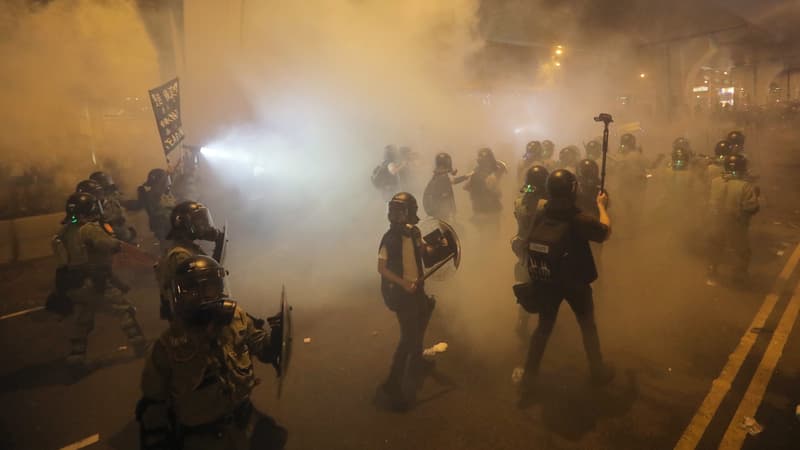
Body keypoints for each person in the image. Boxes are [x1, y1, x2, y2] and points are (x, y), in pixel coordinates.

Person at [137, 255, 287, 450]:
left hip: (246, 422)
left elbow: (263, 350)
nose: (203, 296)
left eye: (210, 287)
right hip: (203, 439)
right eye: (193, 290)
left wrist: (275, 338)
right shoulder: (169, 345)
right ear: (180, 295)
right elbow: (153, 402)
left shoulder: (236, 318)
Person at [518, 169, 614, 406]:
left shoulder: (542, 213)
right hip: (576, 283)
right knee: (587, 326)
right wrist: (602, 206)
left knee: (543, 328)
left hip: (548, 280)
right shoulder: (577, 218)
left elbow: (527, 241)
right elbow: (605, 232)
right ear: (572, 190)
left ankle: (529, 377)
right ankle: (597, 370)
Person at [52, 192, 146, 367]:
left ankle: (76, 358)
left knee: (81, 321)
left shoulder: (62, 232)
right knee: (124, 310)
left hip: (74, 286)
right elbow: (109, 245)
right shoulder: (90, 229)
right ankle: (139, 344)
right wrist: (121, 244)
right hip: (95, 282)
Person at [378, 192, 446, 410]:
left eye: (401, 210)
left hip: (417, 290)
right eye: (394, 210)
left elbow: (425, 253)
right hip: (401, 294)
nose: (396, 215)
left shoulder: (415, 233)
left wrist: (441, 245)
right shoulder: (389, 239)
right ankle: (392, 383)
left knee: (424, 314)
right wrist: (402, 283)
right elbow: (382, 269)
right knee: (408, 337)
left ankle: (416, 361)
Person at [155, 201, 223, 320]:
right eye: (199, 221)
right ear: (185, 224)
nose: (204, 225)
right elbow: (197, 290)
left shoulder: (187, 248)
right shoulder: (180, 255)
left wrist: (219, 243)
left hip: (197, 312)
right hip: (192, 319)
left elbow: (210, 274)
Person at [706, 154, 760, 286]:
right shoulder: (745, 186)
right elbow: (751, 207)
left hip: (716, 221)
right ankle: (738, 278)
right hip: (735, 224)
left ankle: (712, 271)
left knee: (716, 246)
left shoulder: (715, 181)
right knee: (741, 251)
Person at [511, 165, 548, 338]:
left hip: (522, 248)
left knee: (525, 282)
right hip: (542, 250)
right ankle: (544, 324)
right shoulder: (546, 204)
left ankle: (521, 323)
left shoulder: (519, 201)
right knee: (546, 285)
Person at [463, 148, 506, 232]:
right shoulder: (492, 176)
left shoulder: (475, 173)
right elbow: (498, 193)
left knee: (482, 236)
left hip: (478, 210)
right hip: (492, 210)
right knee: (493, 236)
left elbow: (465, 187)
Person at [134, 169, 176, 250]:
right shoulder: (151, 196)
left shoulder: (164, 195)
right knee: (167, 247)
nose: (166, 184)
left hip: (169, 226)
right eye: (164, 181)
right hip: (163, 227)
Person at [90, 171, 137, 243]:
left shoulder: (110, 200)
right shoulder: (96, 205)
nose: (111, 192)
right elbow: (106, 223)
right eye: (107, 189)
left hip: (122, 235)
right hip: (114, 238)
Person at [421, 152, 467, 221]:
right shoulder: (443, 177)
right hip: (440, 212)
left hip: (434, 210)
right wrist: (466, 176)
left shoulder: (437, 176)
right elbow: (452, 183)